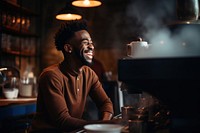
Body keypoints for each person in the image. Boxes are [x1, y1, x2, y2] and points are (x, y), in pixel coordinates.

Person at [29, 20, 114, 133]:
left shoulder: (89, 73)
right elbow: (62, 121)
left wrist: (104, 123)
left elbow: (105, 103)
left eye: (91, 42)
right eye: (85, 42)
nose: (92, 47)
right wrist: (98, 126)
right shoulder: (51, 76)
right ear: (68, 48)